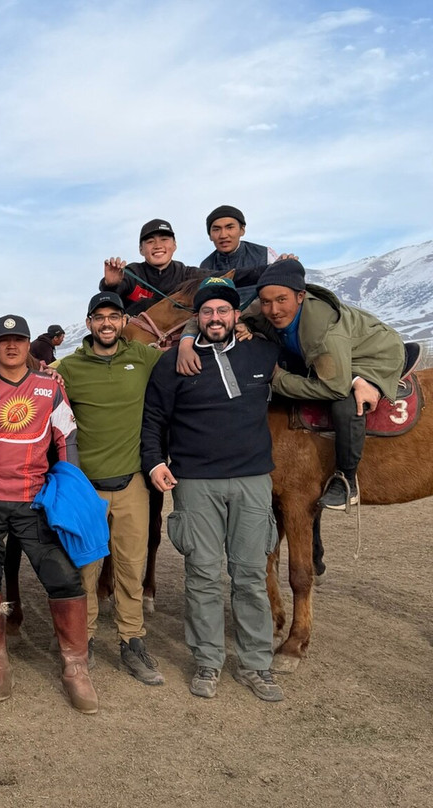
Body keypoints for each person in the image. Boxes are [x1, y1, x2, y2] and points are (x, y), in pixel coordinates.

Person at [141, 277, 284, 702]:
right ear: (196, 318)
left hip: (252, 480)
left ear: (237, 315)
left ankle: (257, 664)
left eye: (223, 310)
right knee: (202, 575)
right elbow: (153, 419)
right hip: (196, 483)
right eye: (207, 311)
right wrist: (153, 462)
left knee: (251, 576)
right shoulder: (173, 363)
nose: (215, 318)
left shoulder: (262, 351)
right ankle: (207, 660)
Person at [0, 314, 98, 714]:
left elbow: (66, 438)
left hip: (34, 499)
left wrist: (70, 494)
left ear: (28, 345)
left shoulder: (50, 389)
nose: (12, 347)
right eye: (4, 341)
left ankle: (74, 665)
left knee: (62, 576)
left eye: (19, 340)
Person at [53, 292, 164, 686]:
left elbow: (182, 356)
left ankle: (132, 640)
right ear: (88, 323)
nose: (106, 323)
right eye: (98, 317)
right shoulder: (67, 367)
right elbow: (36, 383)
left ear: (123, 321)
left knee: (131, 568)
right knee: (85, 570)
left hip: (132, 482)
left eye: (113, 317)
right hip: (86, 487)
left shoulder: (144, 359)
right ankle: (82, 642)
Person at [243, 259, 403, 509]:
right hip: (328, 356)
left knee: (347, 403)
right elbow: (236, 316)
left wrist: (278, 380)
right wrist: (242, 325)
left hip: (372, 355)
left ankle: (346, 480)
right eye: (266, 302)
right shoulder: (266, 309)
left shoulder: (323, 329)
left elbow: (335, 387)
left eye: (281, 300)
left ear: (300, 296)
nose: (273, 310)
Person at [100, 219, 207, 315]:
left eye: (164, 239)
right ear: (141, 249)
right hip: (136, 335)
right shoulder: (132, 273)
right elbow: (110, 299)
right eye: (150, 242)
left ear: (174, 245)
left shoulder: (186, 273)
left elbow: (219, 276)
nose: (157, 246)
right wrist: (111, 285)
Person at [199, 205, 280, 274]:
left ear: (242, 230)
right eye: (216, 229)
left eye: (230, 227)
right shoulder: (205, 267)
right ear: (210, 236)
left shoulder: (265, 255)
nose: (223, 235)